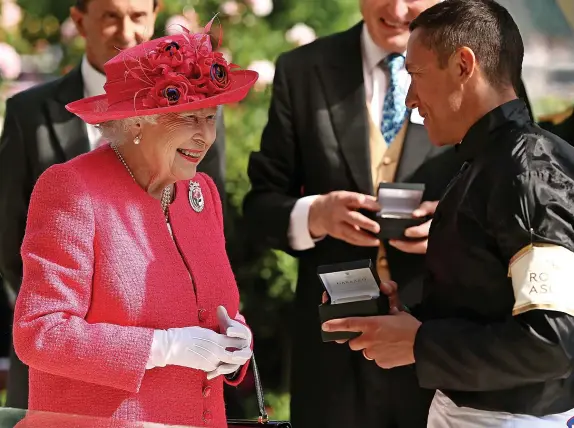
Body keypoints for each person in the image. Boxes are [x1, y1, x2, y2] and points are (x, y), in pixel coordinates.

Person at [243, 0, 532, 426]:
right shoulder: (303, 68)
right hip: (331, 351)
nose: (397, 8)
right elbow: (259, 205)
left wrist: (455, 228)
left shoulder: (479, 71)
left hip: (440, 342)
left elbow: (515, 183)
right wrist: (313, 215)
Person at [322, 0, 574, 426]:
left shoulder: (530, 170)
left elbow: (553, 341)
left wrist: (421, 343)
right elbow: (492, 305)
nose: (410, 98)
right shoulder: (492, 162)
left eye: (415, 75)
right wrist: (406, 321)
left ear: (462, 64)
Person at [12, 22, 258, 427]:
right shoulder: (73, 189)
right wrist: (164, 347)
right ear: (138, 122)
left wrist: (235, 342)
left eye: (210, 118)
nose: (205, 136)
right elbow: (40, 333)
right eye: (189, 118)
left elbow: (208, 308)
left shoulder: (202, 193)